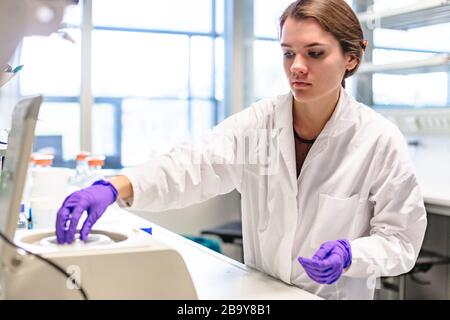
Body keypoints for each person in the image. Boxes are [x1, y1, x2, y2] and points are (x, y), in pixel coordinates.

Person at [55, 0, 427, 299]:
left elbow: (400, 240)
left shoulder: (378, 140)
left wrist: (352, 254)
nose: (297, 67)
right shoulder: (259, 123)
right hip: (263, 293)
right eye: (287, 53)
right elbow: (193, 164)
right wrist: (115, 186)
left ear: (350, 59)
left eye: (314, 53)